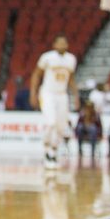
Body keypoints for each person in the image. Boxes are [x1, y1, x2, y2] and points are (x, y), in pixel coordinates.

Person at [30, 34, 78, 170]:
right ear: (54, 45)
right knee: (51, 122)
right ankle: (47, 149)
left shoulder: (71, 59)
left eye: (64, 43)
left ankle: (53, 151)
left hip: (62, 94)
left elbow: (71, 78)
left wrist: (76, 95)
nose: (62, 45)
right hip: (48, 93)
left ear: (67, 45)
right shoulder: (47, 57)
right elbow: (36, 75)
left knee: (61, 127)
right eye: (60, 43)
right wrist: (33, 93)